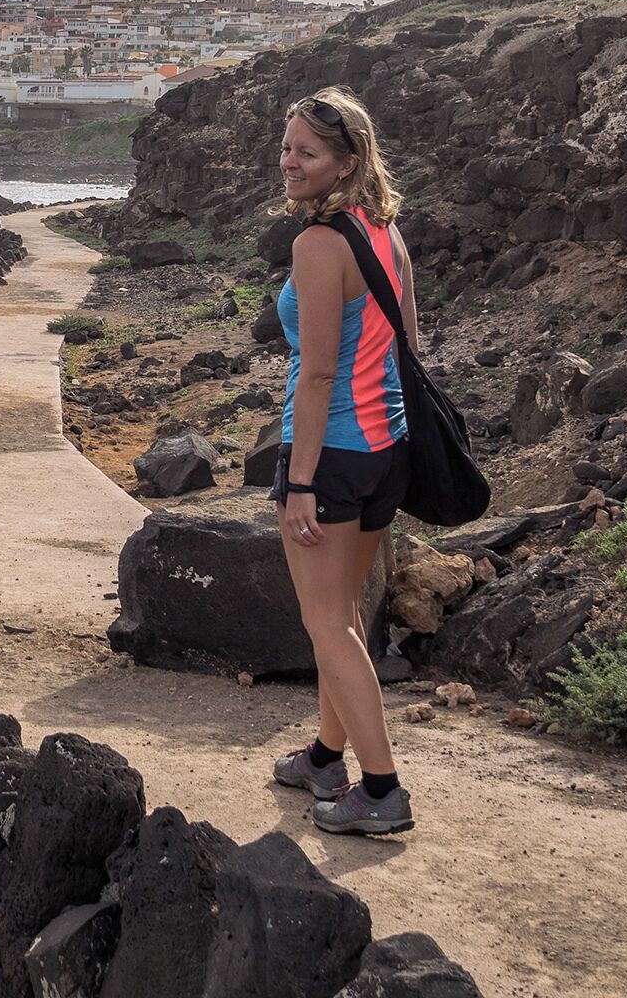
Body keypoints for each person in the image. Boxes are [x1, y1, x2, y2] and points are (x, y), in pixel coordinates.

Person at [267, 86, 418, 836]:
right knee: (345, 621)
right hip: (385, 446)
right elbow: (409, 348)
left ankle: (382, 790)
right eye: (288, 146)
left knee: (327, 623)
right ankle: (327, 756)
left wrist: (299, 480)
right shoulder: (385, 231)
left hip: (331, 453)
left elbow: (320, 373)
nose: (290, 162)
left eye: (308, 153)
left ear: (345, 163)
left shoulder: (319, 243)